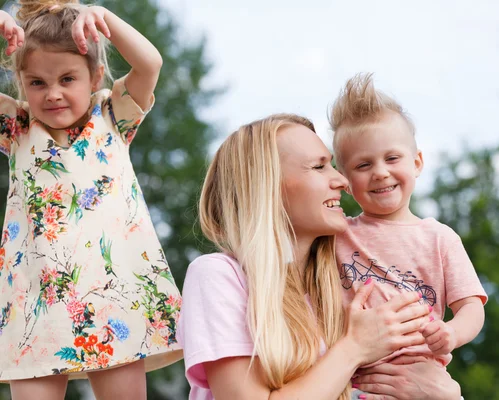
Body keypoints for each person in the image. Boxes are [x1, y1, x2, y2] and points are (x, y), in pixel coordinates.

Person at [177, 113, 458, 400]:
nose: (341, 180)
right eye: (319, 167)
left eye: (333, 166)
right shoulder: (218, 275)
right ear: (267, 186)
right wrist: (354, 347)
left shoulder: (343, 282)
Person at [0, 1, 182, 398]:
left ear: (95, 74)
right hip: (35, 306)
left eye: (68, 78)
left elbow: (150, 64)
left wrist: (103, 16)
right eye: (37, 83)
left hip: (113, 300)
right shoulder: (17, 127)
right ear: (21, 82)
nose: (53, 94)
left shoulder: (112, 115)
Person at [329, 73, 487, 399]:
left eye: (391, 158)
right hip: (353, 382)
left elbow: (472, 306)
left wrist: (451, 333)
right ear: (345, 180)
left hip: (420, 378)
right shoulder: (337, 234)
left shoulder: (439, 238)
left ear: (417, 162)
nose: (380, 172)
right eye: (363, 165)